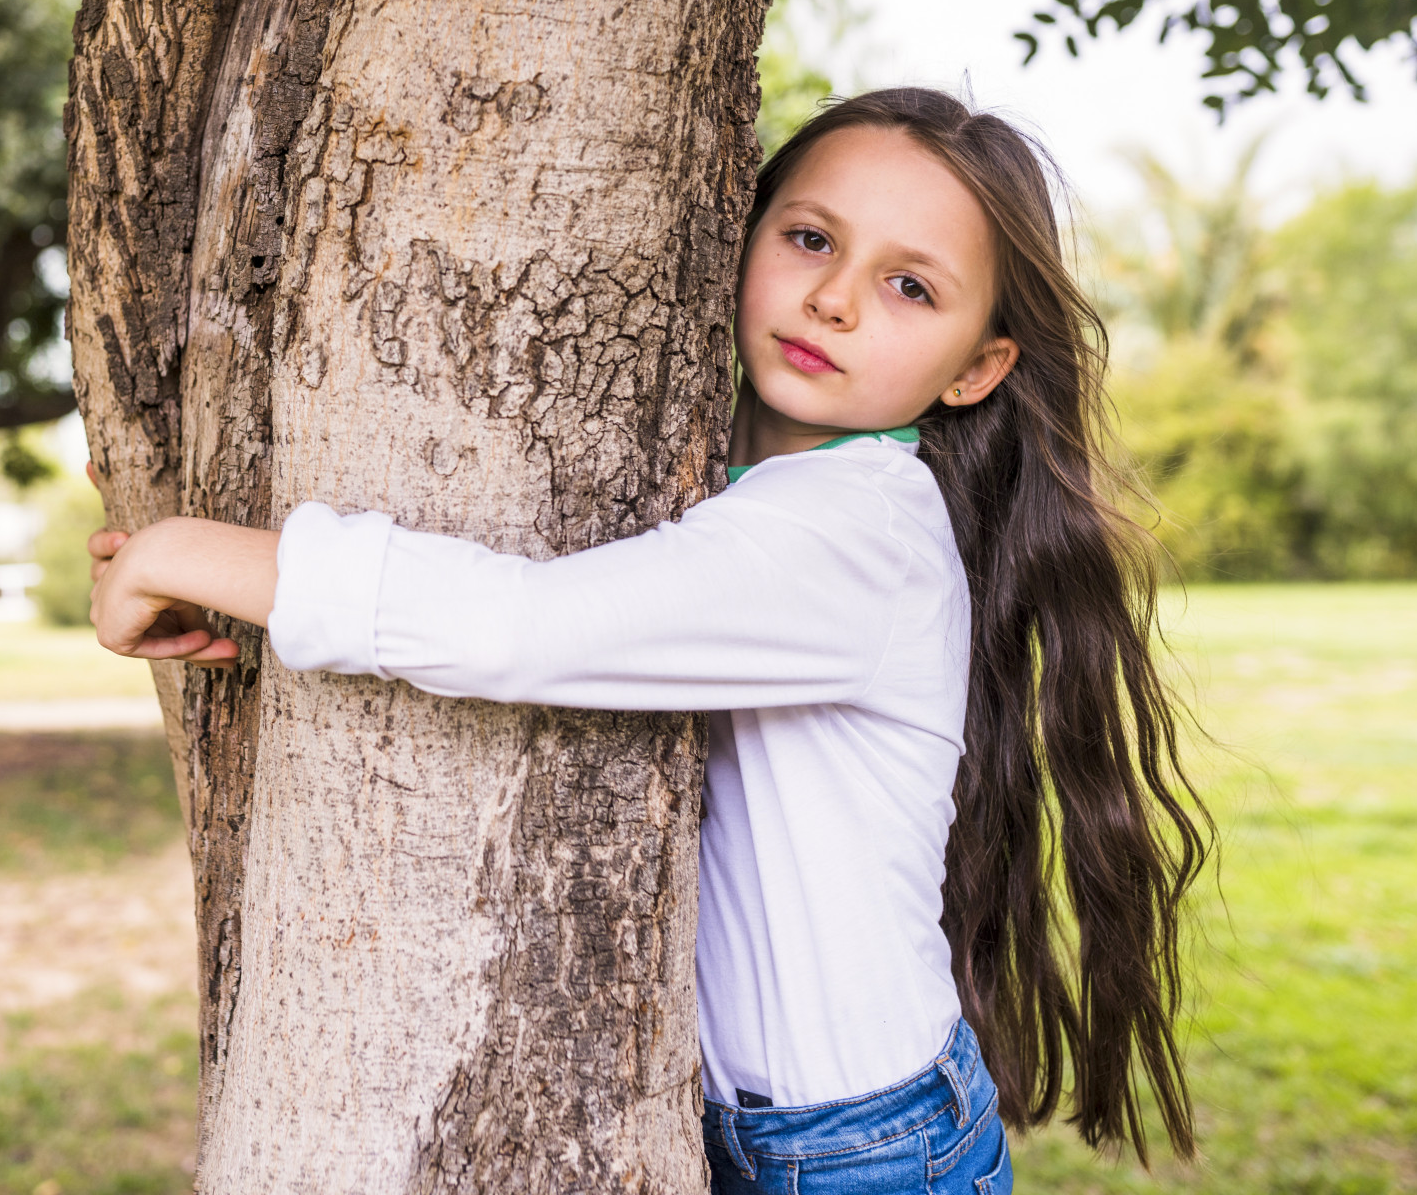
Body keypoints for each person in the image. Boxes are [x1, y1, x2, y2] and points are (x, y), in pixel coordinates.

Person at [85, 87, 1209, 1191]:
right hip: (795, 1136)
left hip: (856, 1155)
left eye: (909, 286)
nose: (833, 300)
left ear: (977, 368)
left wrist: (182, 554)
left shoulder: (853, 531)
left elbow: (516, 628)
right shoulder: (742, 491)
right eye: (810, 238)